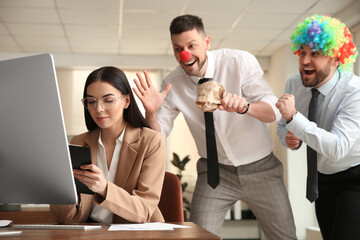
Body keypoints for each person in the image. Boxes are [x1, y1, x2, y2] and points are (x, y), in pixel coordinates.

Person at [133, 14, 297, 239]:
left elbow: (273, 111)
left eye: (192, 45)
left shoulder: (239, 62)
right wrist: (150, 113)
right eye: (178, 48)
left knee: (285, 237)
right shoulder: (172, 83)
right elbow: (157, 139)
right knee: (199, 236)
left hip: (262, 169)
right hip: (214, 173)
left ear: (207, 42)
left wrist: (245, 107)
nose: (185, 54)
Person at [276, 15, 359, 240]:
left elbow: (338, 148)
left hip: (354, 177)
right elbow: (283, 127)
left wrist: (295, 118)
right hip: (322, 178)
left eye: (316, 53)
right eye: (302, 52)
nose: (305, 61)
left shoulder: (354, 92)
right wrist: (288, 138)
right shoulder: (294, 83)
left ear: (335, 58)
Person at [50, 66, 166, 224]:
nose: (98, 109)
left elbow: (144, 210)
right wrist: (60, 187)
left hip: (135, 233)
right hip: (90, 231)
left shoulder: (151, 141)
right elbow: (64, 220)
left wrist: (104, 188)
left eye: (108, 100)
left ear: (126, 101)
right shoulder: (78, 143)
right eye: (91, 101)